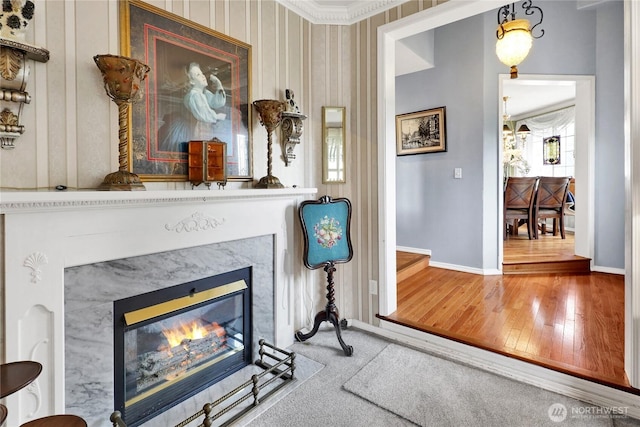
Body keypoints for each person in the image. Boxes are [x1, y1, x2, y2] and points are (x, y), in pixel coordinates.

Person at [158, 62, 229, 152]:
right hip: (184, 129)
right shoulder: (194, 95)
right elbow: (203, 114)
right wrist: (217, 116)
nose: (203, 76)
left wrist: (218, 84)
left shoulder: (203, 93)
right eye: (198, 75)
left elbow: (217, 102)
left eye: (202, 73)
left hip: (193, 128)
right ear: (191, 81)